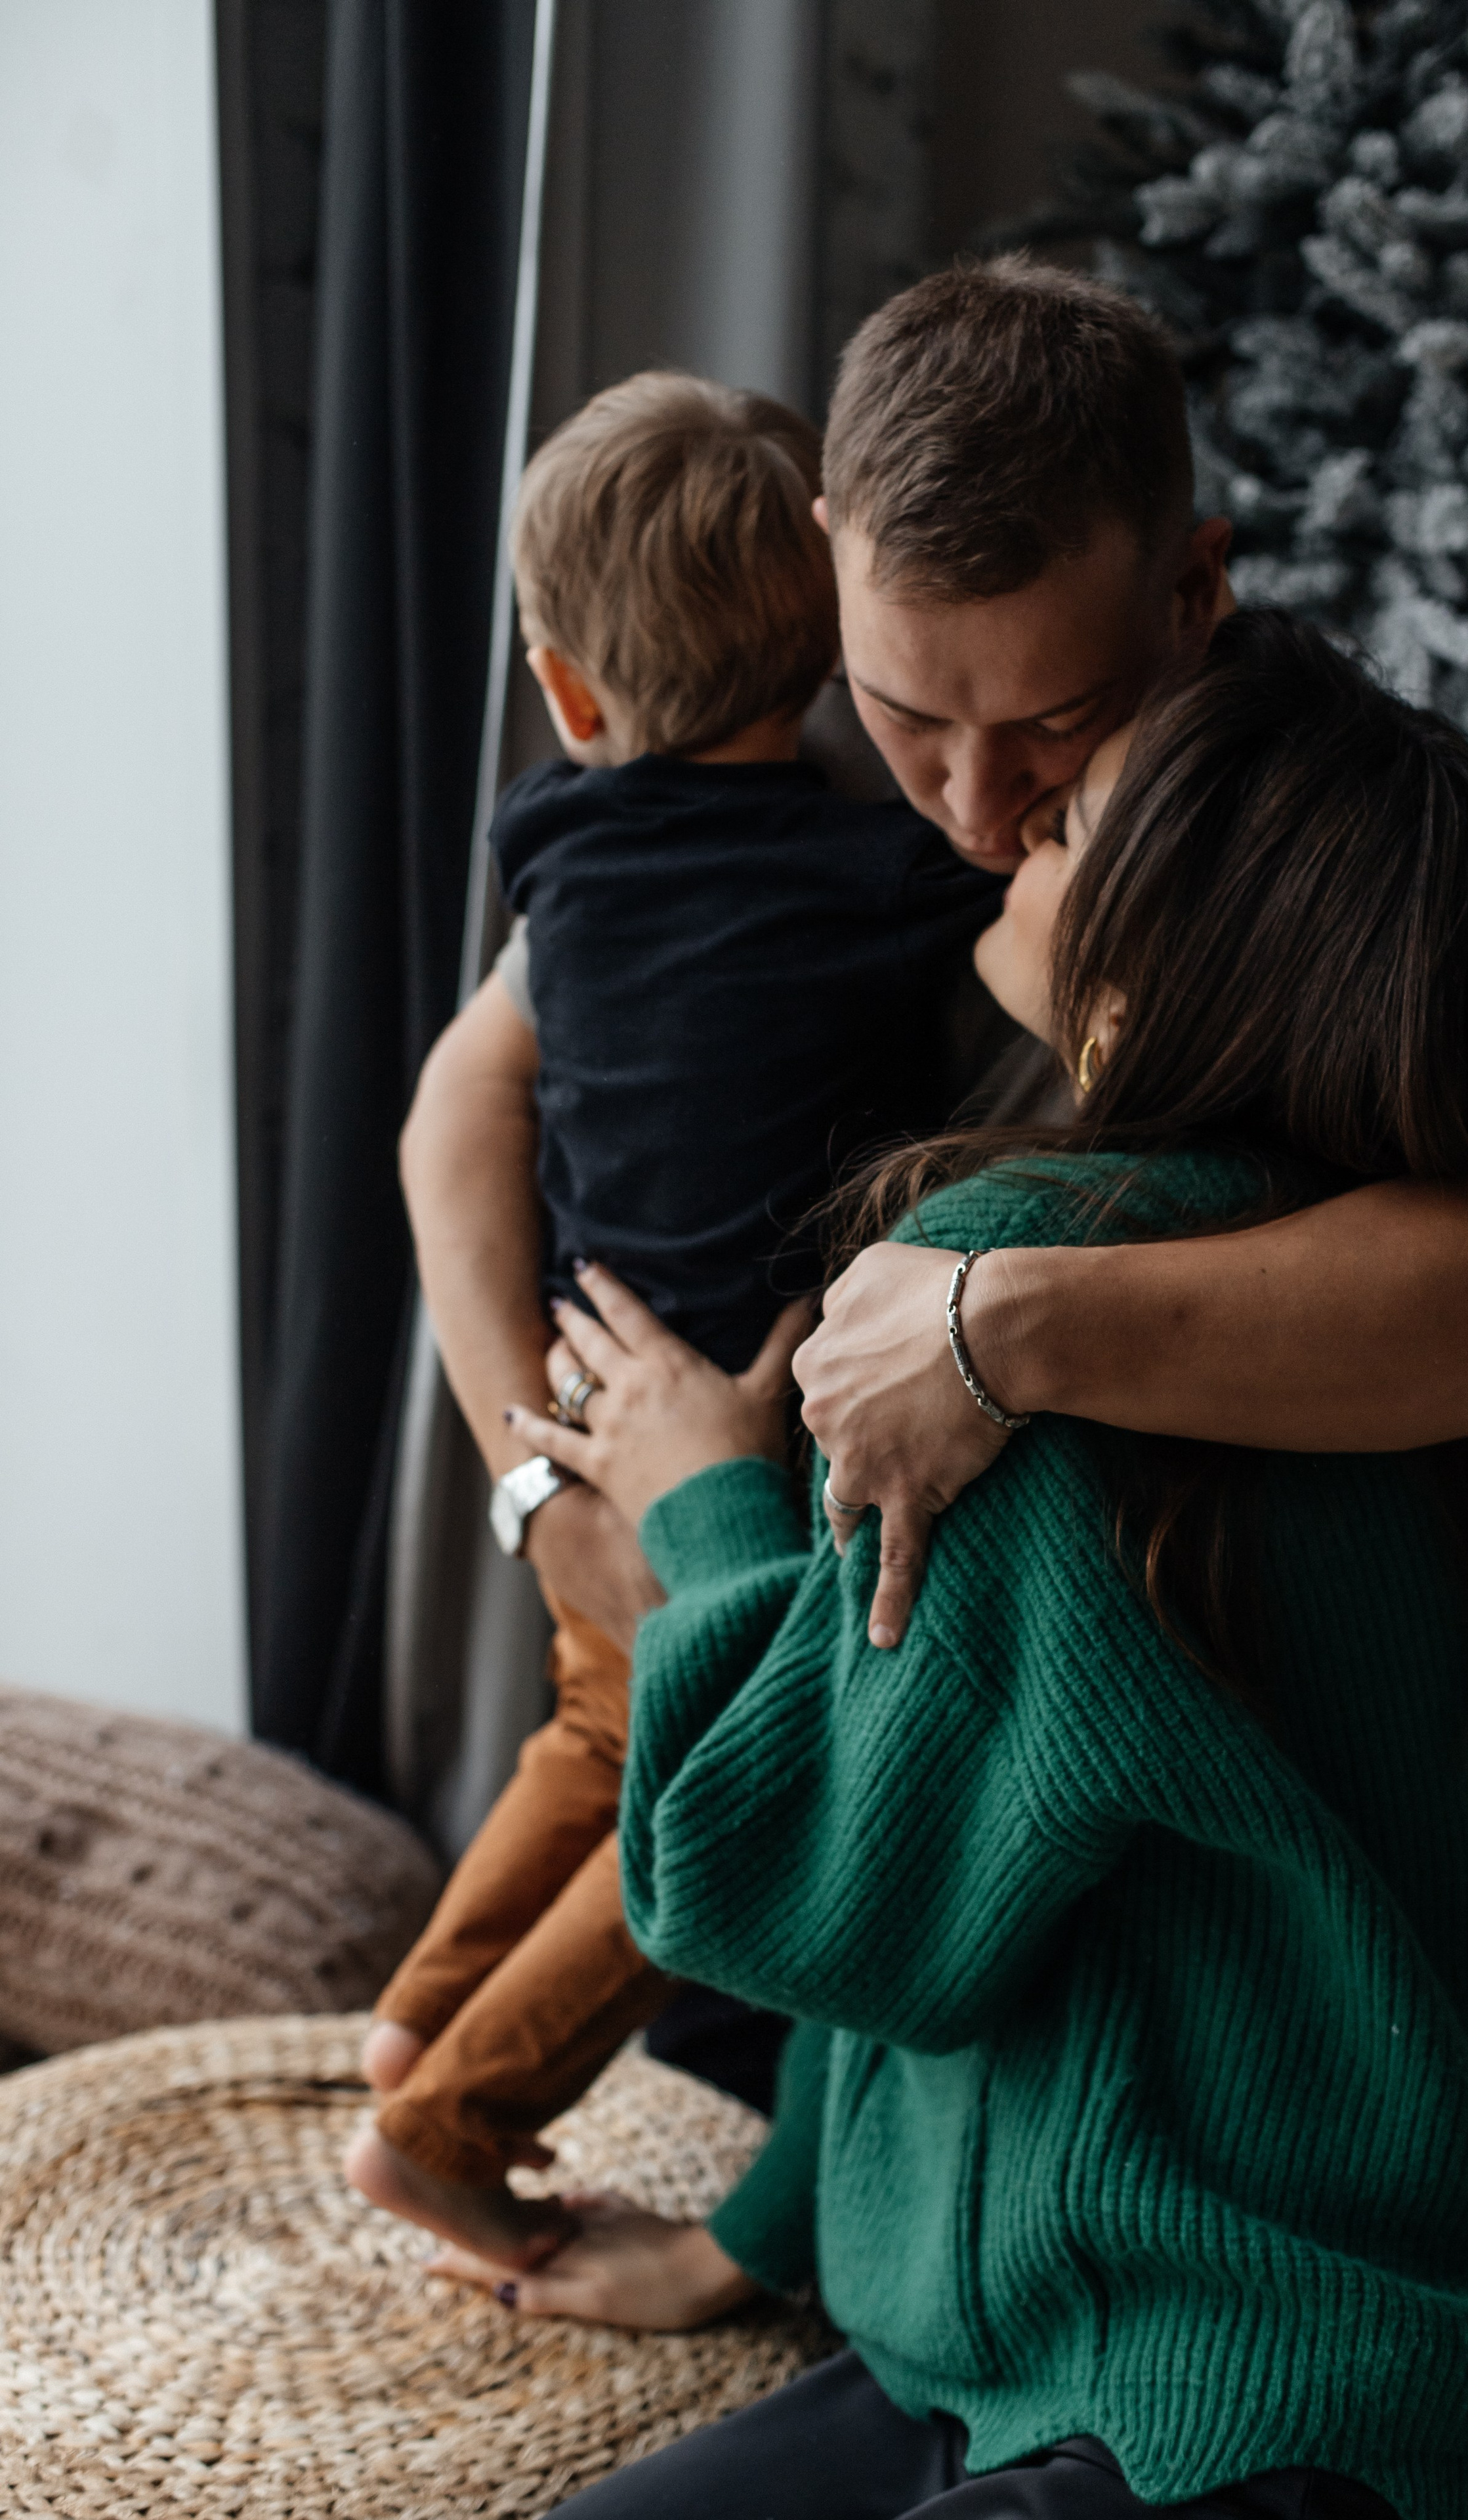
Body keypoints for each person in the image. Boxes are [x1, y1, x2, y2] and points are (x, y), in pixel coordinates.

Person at [474, 608, 1468, 2517]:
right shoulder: (1403, 1303)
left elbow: (787, 1885)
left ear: (1148, 995)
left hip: (1235, 2398)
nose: (1000, 825)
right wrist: (762, 2236)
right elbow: (973, 1899)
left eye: (1069, 813)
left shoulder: (992, 1339)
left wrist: (705, 1506)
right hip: (1067, 2353)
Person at [400, 255, 1468, 1680]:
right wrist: (544, 1503)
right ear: (823, 562)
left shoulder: (1292, 828)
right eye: (906, 711)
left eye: (1060, 721)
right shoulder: (748, 745)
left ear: (1190, 591)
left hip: (1032, 1639)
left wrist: (994, 1329)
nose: (973, 809)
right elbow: (461, 1107)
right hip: (701, 1562)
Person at [346, 371, 999, 2269]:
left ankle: (424, 2009)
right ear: (836, 640)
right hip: (747, 1447)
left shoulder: (553, 859)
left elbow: (475, 1105)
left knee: (589, 1730)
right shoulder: (889, 875)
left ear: (562, 687)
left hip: (579, 1401)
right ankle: (452, 2122)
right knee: (707, 1797)